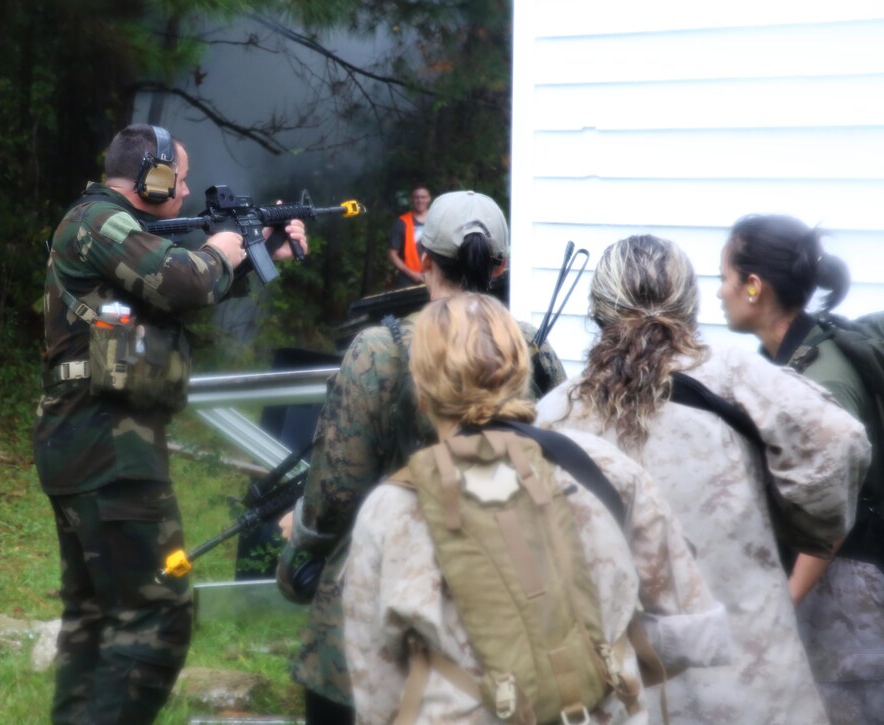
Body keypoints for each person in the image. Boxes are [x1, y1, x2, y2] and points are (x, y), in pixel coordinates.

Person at [343, 292, 730, 724]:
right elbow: (685, 628)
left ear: (421, 388)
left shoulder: (391, 509)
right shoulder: (602, 467)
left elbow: (376, 685)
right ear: (520, 372)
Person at [32, 123, 307, 724]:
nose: (184, 190)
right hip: (107, 448)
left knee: (97, 616)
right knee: (159, 612)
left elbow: (165, 292)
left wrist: (255, 253)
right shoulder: (99, 222)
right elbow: (182, 278)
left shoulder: (107, 227)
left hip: (92, 441)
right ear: (152, 175)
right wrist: (226, 245)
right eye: (177, 177)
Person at [535, 234, 871, 725]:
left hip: (623, 688)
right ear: (687, 303)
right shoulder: (738, 378)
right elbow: (839, 440)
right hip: (748, 681)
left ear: (598, 309)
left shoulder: (556, 412)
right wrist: (798, 529)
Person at [279, 191, 567, 723]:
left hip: (378, 607)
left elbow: (337, 492)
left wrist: (301, 544)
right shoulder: (532, 348)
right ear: (499, 266)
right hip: (506, 599)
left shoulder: (379, 349)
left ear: (425, 262)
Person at [719, 213, 884, 723]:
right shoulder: (785, 363)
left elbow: (831, 511)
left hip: (846, 595)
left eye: (723, 278)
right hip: (827, 584)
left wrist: (781, 605)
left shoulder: (821, 380)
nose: (718, 293)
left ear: (753, 286)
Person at [387, 185, 432, 287]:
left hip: (435, 278)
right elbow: (392, 254)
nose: (420, 200)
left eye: (423, 197)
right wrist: (411, 273)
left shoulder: (437, 220)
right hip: (409, 279)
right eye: (416, 197)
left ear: (429, 198)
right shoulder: (402, 222)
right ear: (411, 199)